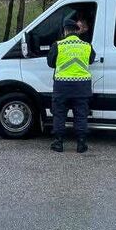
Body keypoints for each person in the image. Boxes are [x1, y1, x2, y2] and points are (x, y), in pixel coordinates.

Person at [46, 18, 96, 153]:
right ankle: (81, 144)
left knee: (59, 114)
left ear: (65, 30)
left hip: (62, 86)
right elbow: (91, 60)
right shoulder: (87, 46)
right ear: (76, 30)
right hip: (82, 87)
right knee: (81, 115)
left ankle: (58, 143)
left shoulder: (58, 45)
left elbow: (50, 63)